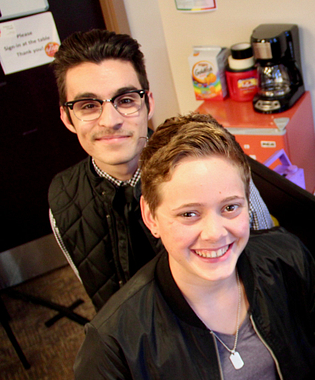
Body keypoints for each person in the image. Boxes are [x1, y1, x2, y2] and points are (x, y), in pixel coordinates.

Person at [69, 113, 315, 380]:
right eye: (189, 214)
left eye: (230, 207)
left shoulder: (285, 258)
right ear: (151, 216)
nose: (215, 233)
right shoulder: (115, 338)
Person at [48, 29, 272, 310]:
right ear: (67, 118)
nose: (110, 120)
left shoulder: (215, 168)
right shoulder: (63, 200)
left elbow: (267, 265)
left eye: (126, 100)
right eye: (88, 106)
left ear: (148, 103)